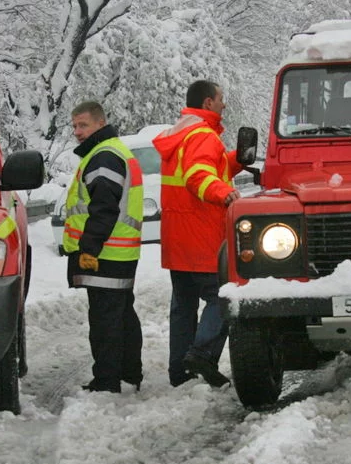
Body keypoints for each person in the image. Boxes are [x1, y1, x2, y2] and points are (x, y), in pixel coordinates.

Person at [153, 80, 243, 388]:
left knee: (184, 307)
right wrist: (224, 193)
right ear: (207, 103)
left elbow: (204, 168)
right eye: (220, 99)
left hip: (178, 239)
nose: (224, 104)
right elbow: (198, 175)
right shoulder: (203, 135)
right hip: (202, 235)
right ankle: (202, 356)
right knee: (223, 298)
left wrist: (235, 160)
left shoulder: (180, 133)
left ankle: (180, 372)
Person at [62, 101, 145, 393]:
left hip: (105, 253)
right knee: (121, 315)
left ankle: (107, 381)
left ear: (100, 123)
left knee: (105, 321)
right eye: (74, 126)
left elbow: (104, 208)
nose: (77, 132)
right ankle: (129, 373)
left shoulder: (104, 156)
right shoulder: (111, 151)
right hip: (120, 251)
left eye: (83, 125)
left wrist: (89, 248)